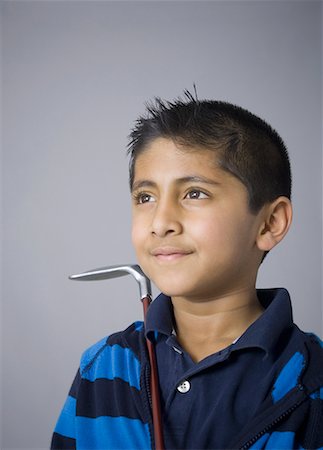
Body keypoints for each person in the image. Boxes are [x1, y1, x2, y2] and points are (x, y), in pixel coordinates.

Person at [51, 91, 323, 450]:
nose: (160, 223)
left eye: (194, 193)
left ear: (270, 223)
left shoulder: (313, 380)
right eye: (145, 197)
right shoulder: (103, 365)